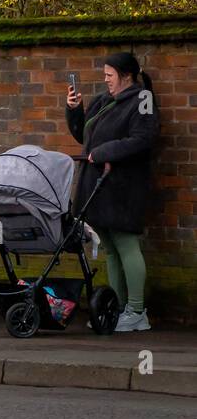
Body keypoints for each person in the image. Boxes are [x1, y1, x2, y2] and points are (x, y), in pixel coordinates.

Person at [66, 52, 159, 332]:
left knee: (126, 245)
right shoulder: (103, 101)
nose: (105, 79)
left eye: (110, 74)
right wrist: (74, 109)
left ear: (126, 75)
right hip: (98, 185)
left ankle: (137, 311)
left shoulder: (143, 99)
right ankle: (117, 308)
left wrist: (104, 152)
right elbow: (83, 135)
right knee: (110, 249)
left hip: (123, 186)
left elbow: (143, 139)